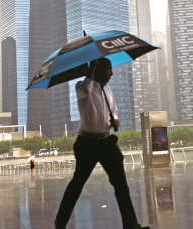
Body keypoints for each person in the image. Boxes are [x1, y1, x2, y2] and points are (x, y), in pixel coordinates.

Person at [54, 58, 149, 229]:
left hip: (106, 141)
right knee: (77, 184)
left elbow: (114, 111)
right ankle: (60, 223)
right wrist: (91, 69)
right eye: (108, 69)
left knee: (120, 183)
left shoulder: (108, 91)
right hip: (87, 143)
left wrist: (116, 121)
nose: (111, 73)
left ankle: (131, 224)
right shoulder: (82, 88)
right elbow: (86, 87)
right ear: (98, 70)